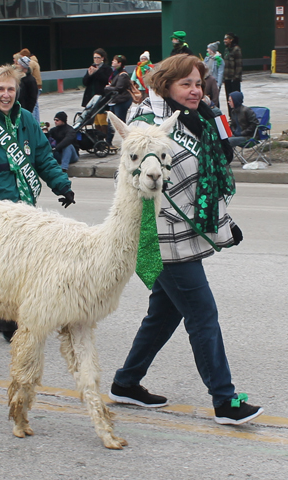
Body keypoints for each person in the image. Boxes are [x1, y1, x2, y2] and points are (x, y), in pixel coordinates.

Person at [109, 54, 264, 426]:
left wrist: (224, 222)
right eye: (186, 84)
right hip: (163, 237)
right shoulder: (147, 125)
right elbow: (164, 189)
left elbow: (200, 186)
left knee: (163, 315)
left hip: (182, 236)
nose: (195, 91)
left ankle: (126, 383)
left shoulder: (195, 120)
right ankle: (225, 401)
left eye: (198, 83)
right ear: (166, 85)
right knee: (202, 315)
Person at [0, 64, 75, 341]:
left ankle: (7, 317)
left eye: (10, 89)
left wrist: (62, 185)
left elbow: (44, 158)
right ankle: (4, 317)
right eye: (0, 89)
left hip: (24, 211)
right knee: (0, 269)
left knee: (21, 268)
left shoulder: (27, 122)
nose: (5, 95)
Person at [81, 48, 112, 138]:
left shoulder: (107, 68)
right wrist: (90, 75)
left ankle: (105, 138)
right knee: (96, 119)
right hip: (92, 97)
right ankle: (98, 138)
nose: (96, 59)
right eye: (94, 58)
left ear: (102, 58)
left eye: (98, 57)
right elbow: (85, 82)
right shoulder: (92, 67)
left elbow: (106, 80)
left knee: (102, 119)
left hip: (102, 96)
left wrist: (97, 72)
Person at [20, 48, 42, 122]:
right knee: (35, 105)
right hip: (37, 85)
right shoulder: (34, 61)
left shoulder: (31, 63)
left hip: (35, 86)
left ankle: (35, 121)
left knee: (34, 105)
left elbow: (28, 71)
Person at [223, 33, 243, 115]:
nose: (224, 41)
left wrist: (236, 77)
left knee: (235, 98)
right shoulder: (226, 50)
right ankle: (231, 115)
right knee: (229, 98)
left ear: (231, 40)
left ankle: (238, 115)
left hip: (234, 79)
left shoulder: (236, 49)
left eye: (226, 39)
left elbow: (239, 64)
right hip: (227, 78)